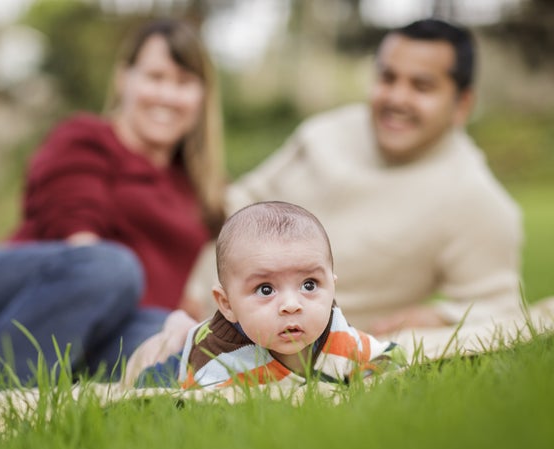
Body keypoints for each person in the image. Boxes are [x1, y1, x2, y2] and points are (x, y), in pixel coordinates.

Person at [0, 18, 227, 399]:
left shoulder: (199, 188)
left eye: (183, 83)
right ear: (124, 79)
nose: (166, 95)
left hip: (100, 336)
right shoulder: (86, 139)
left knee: (183, 344)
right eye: (155, 77)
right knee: (112, 266)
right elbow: (81, 243)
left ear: (202, 96)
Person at [184, 18, 525, 337]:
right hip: (184, 287)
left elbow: (500, 308)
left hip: (260, 344)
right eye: (387, 78)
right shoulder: (325, 132)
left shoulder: (474, 198)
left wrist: (440, 317)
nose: (396, 98)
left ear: (462, 104)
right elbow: (239, 200)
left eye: (421, 86)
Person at [125, 202, 403, 389]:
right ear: (227, 304)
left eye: (309, 285)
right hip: (186, 356)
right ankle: (176, 334)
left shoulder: (339, 337)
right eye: (265, 290)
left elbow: (388, 362)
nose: (291, 306)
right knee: (143, 375)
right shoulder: (217, 361)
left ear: (332, 286)